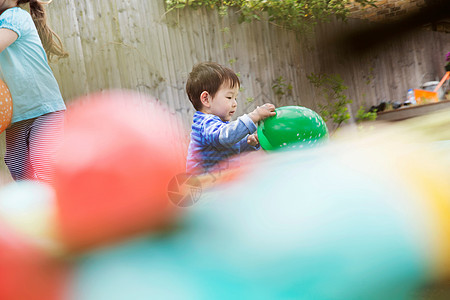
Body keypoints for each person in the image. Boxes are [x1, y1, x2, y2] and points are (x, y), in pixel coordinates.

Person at [0, 0, 68, 184]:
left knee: (43, 161)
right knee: (17, 167)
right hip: (16, 116)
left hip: (44, 108)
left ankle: (64, 205)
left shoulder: (15, 16)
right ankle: (36, 207)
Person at [186, 62, 275, 174]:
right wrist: (255, 115)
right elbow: (226, 137)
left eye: (235, 98)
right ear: (206, 99)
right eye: (229, 97)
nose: (235, 103)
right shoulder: (205, 123)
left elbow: (230, 147)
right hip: (204, 187)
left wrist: (248, 143)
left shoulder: (219, 124)